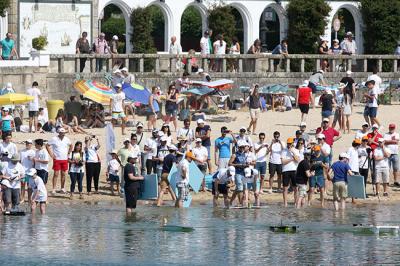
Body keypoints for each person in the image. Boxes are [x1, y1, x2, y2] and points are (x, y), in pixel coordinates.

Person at [46, 128, 72, 195]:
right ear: (59, 133)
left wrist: (69, 153)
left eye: (64, 133)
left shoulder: (67, 139)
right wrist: (51, 154)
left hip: (64, 159)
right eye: (61, 133)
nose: (63, 134)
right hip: (57, 159)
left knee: (63, 174)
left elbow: (71, 145)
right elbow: (47, 145)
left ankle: (62, 188)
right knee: (56, 174)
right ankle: (54, 189)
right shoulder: (54, 139)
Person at [281, 138, 300, 207]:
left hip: (294, 170)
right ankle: (285, 203)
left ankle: (296, 202)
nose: (289, 145)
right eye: (288, 143)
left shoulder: (296, 151)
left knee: (295, 188)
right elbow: (283, 162)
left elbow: (298, 160)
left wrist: (293, 152)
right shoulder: (283, 151)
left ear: (293, 143)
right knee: (285, 187)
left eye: (290, 143)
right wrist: (292, 159)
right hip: (285, 170)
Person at [229, 141, 248, 207]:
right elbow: (230, 163)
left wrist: (246, 165)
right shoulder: (234, 155)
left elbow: (245, 163)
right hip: (237, 173)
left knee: (238, 189)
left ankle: (231, 201)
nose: (242, 148)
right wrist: (238, 165)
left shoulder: (244, 154)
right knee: (240, 188)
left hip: (243, 173)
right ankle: (241, 203)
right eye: (241, 147)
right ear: (238, 147)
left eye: (243, 147)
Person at [19, 139, 35, 204]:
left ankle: (29, 199)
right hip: (23, 171)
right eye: (27, 143)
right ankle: (22, 198)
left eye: (30, 143)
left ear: (31, 144)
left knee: (29, 186)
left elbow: (35, 162)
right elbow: (19, 161)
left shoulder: (33, 152)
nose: (28, 144)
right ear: (26, 144)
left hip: (30, 171)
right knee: (22, 185)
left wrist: (32, 159)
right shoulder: (22, 151)